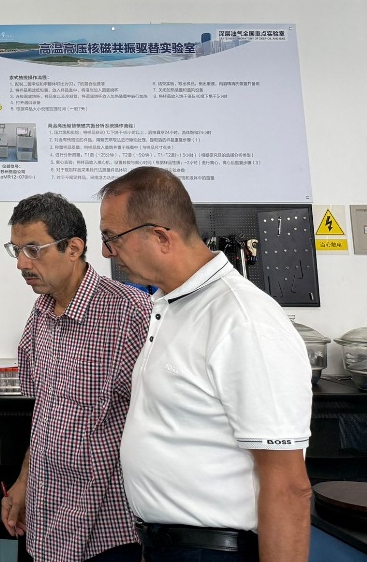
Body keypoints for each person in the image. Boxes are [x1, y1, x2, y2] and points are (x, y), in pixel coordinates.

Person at [98, 167, 313, 562]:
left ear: (161, 237)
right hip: (166, 545)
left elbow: (288, 486)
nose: (106, 253)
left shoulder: (242, 320)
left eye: (112, 239)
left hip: (214, 551)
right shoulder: (169, 306)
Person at [1, 192, 150, 562]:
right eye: (16, 250)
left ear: (73, 248)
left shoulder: (129, 314)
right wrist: (24, 481)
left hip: (107, 525)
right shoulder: (41, 313)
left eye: (33, 249)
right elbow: (45, 416)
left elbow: (162, 422)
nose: (21, 263)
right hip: (47, 515)